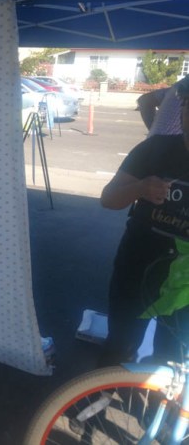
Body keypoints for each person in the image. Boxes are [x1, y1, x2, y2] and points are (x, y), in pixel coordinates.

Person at [99, 81, 189, 367]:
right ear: (182, 110)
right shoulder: (155, 149)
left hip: (184, 284)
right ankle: (98, 398)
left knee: (172, 359)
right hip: (138, 268)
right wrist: (140, 188)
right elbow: (109, 198)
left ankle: (161, 409)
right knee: (119, 347)